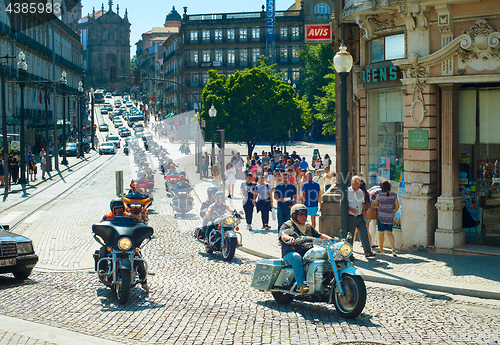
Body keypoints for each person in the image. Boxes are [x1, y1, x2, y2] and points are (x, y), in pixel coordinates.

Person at [279, 204, 332, 294]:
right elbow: (283, 235)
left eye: (305, 214)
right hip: (290, 254)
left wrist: (332, 240)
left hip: (307, 254)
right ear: (294, 215)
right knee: (296, 257)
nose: (304, 216)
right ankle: (301, 285)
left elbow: (320, 235)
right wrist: (289, 239)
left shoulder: (307, 227)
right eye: (301, 214)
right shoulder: (287, 225)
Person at [99, 198, 150, 293]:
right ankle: (102, 270)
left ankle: (144, 282)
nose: (119, 210)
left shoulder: (129, 216)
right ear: (112, 209)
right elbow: (101, 226)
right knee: (103, 250)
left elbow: (137, 224)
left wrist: (143, 228)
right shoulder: (107, 217)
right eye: (117, 208)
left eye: (121, 208)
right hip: (112, 242)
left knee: (138, 258)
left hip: (125, 243)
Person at [344, 175, 375, 258]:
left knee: (364, 233)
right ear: (352, 183)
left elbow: (362, 203)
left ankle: (367, 251)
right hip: (351, 216)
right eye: (357, 183)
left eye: (359, 183)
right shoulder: (347, 192)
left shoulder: (360, 191)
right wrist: (351, 209)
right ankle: (349, 254)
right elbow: (342, 205)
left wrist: (364, 211)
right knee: (350, 236)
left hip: (360, 216)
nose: (359, 185)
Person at [372, 180, 399, 257]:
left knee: (381, 233)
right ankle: (393, 249)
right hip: (390, 217)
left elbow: (374, 204)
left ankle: (381, 249)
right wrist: (394, 211)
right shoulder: (394, 195)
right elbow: (397, 206)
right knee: (390, 233)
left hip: (381, 217)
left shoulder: (379, 196)